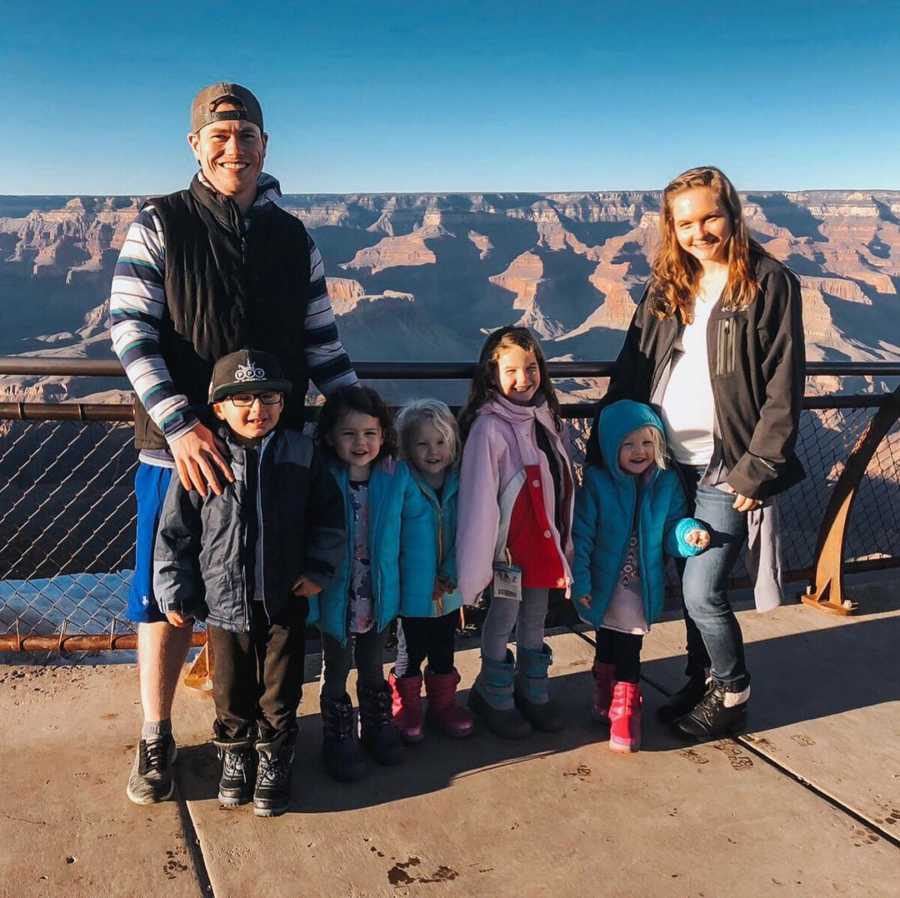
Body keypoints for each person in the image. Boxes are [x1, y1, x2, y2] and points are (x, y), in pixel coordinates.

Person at [110, 82, 357, 805]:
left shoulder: (293, 236)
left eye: (246, 134)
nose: (233, 147)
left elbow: (321, 340)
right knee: (165, 597)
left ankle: (253, 736)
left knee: (272, 599)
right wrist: (182, 423)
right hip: (179, 450)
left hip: (279, 452)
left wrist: (358, 411)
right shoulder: (159, 223)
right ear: (195, 144)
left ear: (265, 146)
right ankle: (156, 736)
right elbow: (131, 332)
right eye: (218, 135)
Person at [588, 165, 805, 741]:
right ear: (671, 227)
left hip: (724, 467)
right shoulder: (666, 285)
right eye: (685, 222)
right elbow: (631, 369)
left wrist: (757, 469)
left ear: (732, 213)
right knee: (684, 574)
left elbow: (784, 387)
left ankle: (732, 691)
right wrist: (604, 448)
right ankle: (699, 677)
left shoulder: (768, 282)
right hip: (663, 464)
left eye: (710, 216)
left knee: (702, 588)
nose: (699, 231)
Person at [153, 349, 344, 816]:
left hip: (285, 598)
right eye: (243, 399)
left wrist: (319, 569)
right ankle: (235, 755)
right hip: (223, 601)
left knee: (281, 689)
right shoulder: (204, 458)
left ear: (283, 402)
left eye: (268, 397)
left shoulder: (302, 454)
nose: (257, 409)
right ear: (218, 408)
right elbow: (176, 531)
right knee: (231, 689)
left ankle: (275, 758)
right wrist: (174, 589)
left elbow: (328, 517)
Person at [456, 326, 575, 740]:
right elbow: (477, 498)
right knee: (503, 617)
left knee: (536, 618)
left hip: (542, 546)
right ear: (492, 375)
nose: (523, 379)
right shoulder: (489, 429)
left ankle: (533, 689)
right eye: (511, 371)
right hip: (508, 553)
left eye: (531, 368)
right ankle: (492, 692)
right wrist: (474, 568)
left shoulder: (543, 418)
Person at [573, 400, 709, 752]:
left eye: (648, 443)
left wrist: (687, 535)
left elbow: (671, 529)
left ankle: (625, 708)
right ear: (611, 446)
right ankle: (605, 692)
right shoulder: (598, 485)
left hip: (639, 588)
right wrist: (581, 582)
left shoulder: (666, 485)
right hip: (604, 585)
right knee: (606, 641)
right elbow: (582, 537)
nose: (640, 452)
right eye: (629, 444)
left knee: (630, 647)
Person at [315, 386, 429, 781]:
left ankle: (377, 725)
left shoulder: (396, 478)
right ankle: (338, 733)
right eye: (349, 434)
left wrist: (415, 591)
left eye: (370, 433)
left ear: (384, 435)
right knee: (336, 668)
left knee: (373, 666)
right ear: (330, 437)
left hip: (380, 599)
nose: (361, 443)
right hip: (334, 600)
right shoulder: (323, 478)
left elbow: (414, 539)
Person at [390, 399, 474, 742]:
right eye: (422, 443)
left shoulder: (460, 483)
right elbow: (391, 540)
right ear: (407, 447)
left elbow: (468, 531)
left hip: (449, 591)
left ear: (452, 443)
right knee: (408, 649)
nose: (433, 451)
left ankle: (443, 705)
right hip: (412, 591)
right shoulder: (401, 484)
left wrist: (450, 574)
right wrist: (423, 583)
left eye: (440, 441)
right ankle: (407, 707)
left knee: (444, 647)